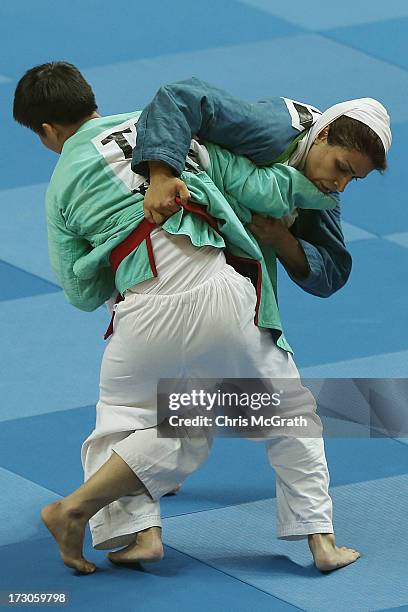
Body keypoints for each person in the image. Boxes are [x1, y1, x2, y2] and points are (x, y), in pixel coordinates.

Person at [12, 62, 386, 577]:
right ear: (91, 99)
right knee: (275, 415)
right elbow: (254, 182)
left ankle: (136, 533)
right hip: (215, 290)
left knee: (121, 414)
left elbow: (79, 292)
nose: (340, 185)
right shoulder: (164, 130)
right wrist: (296, 205)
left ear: (47, 132)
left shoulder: (59, 189)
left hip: (137, 311)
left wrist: (110, 257)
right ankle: (320, 541)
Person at [131, 77, 390, 297]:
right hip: (167, 182)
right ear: (323, 134)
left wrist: (281, 239)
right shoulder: (271, 131)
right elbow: (179, 97)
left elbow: (334, 272)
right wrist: (161, 175)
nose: (341, 186)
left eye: (353, 178)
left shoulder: (321, 189)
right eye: (342, 168)